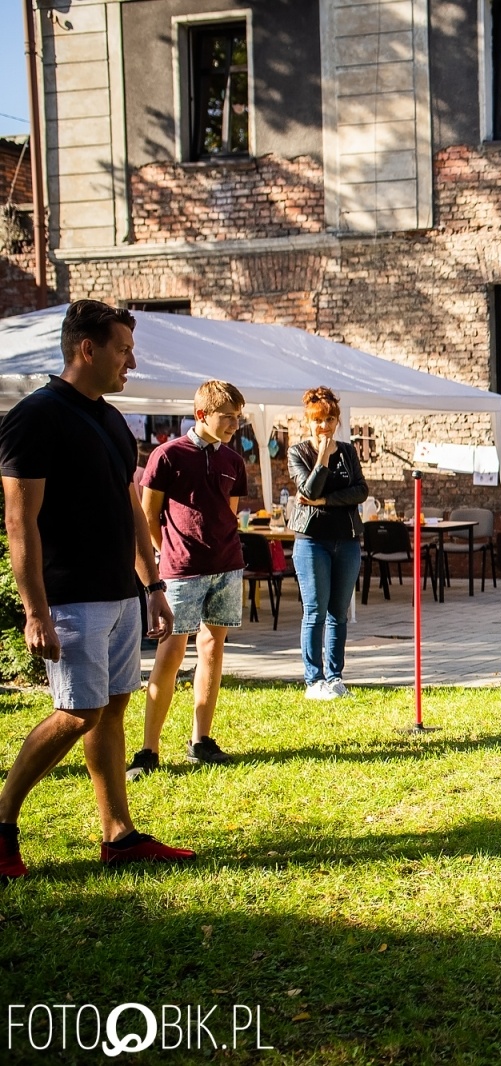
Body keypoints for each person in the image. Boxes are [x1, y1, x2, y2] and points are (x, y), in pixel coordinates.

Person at [0, 299, 195, 876]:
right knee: (76, 713)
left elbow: (132, 507)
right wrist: (35, 610)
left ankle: (119, 835)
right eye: (123, 350)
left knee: (111, 713)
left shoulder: (111, 418)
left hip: (121, 594)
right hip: (71, 597)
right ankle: (3, 820)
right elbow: (19, 519)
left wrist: (152, 582)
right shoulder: (34, 417)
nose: (130, 362)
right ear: (88, 349)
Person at [128, 380, 249, 781]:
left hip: (227, 568)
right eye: (228, 416)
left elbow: (228, 515)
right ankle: (148, 749)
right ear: (201, 415)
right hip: (180, 572)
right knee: (170, 654)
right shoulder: (166, 456)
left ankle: (201, 740)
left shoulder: (234, 460)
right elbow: (147, 518)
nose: (235, 423)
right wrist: (170, 555)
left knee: (213, 650)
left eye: (238, 416)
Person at [287, 386, 369, 700]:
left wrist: (325, 500)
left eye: (330, 419)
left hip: (346, 540)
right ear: (308, 421)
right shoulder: (298, 452)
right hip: (312, 542)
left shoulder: (348, 451)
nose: (325, 426)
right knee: (315, 611)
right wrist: (321, 457)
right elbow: (307, 488)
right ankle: (313, 680)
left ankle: (335, 676)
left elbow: (361, 491)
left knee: (339, 612)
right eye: (319, 420)